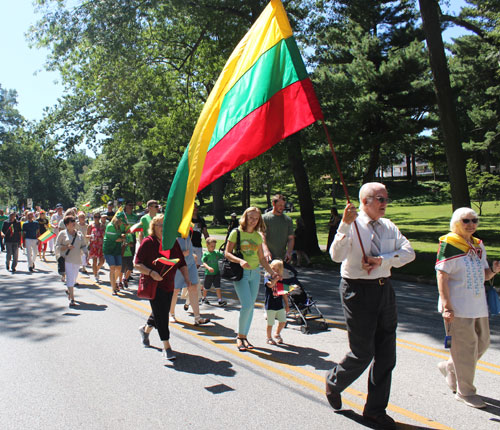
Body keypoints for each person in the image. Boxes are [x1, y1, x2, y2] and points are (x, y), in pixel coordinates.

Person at [325, 182, 415, 430]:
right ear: (364, 202)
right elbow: (335, 255)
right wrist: (343, 224)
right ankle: (334, 381)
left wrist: (382, 260)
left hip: (384, 289)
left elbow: (409, 253)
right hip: (357, 290)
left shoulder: (388, 226)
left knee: (386, 356)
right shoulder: (351, 225)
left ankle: (375, 411)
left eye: (386, 198)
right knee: (363, 352)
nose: (384, 203)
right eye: (379, 198)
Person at [435, 207, 500, 409]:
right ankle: (465, 392)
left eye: (474, 220)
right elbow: (442, 275)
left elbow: (484, 275)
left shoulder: (478, 245)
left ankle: (451, 367)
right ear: (456, 222)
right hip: (458, 306)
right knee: (466, 348)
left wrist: (494, 271)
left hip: (478, 305)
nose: (471, 224)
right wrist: (446, 305)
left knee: (483, 343)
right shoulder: (449, 244)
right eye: (466, 220)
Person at [135, 214, 190, 361]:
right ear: (153, 227)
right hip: (153, 284)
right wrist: (151, 273)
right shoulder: (148, 242)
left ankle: (145, 331)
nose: (163, 228)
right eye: (160, 225)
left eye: (165, 225)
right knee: (163, 315)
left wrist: (187, 278)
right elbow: (137, 264)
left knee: (160, 311)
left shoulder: (172, 242)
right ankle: (166, 347)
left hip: (168, 283)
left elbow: (182, 262)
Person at [225, 207, 279, 352]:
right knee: (247, 305)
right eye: (251, 217)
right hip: (241, 273)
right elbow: (227, 253)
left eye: (256, 218)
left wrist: (272, 272)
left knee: (250, 307)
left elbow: (261, 258)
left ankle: (244, 337)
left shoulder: (257, 236)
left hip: (255, 273)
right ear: (245, 218)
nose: (253, 220)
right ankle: (239, 337)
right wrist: (240, 261)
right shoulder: (236, 233)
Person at [169, 234, 211, 325]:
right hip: (178, 265)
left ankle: (197, 318)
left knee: (193, 287)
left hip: (190, 263)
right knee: (175, 290)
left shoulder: (188, 228)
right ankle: (171, 314)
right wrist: (181, 254)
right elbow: (166, 250)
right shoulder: (172, 230)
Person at [55, 216, 88, 307]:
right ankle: (72, 299)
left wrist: (86, 253)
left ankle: (69, 290)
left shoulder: (79, 234)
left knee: (74, 278)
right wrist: (66, 247)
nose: (74, 223)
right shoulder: (62, 234)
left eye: (74, 221)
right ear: (66, 224)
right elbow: (57, 247)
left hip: (77, 259)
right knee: (69, 278)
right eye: (71, 221)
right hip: (67, 259)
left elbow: (83, 245)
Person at [262, 194, 294, 262]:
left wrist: (289, 252)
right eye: (280, 205)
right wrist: (266, 251)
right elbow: (262, 236)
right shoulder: (264, 218)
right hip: (267, 258)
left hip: (282, 258)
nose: (282, 207)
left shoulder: (288, 220)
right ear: (273, 204)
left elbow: (291, 238)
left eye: (283, 205)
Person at [264, 259, 289, 345]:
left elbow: (284, 293)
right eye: (274, 269)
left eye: (278, 270)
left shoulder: (282, 280)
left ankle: (277, 334)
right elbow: (270, 285)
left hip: (279, 305)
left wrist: (287, 304)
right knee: (270, 323)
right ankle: (268, 337)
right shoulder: (267, 277)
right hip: (270, 304)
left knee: (283, 321)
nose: (276, 271)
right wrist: (275, 280)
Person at [102, 214, 126, 294]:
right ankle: (113, 288)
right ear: (118, 220)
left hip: (117, 250)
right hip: (109, 250)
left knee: (119, 268)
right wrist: (123, 238)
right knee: (112, 268)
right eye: (122, 221)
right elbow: (117, 239)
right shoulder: (110, 226)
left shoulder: (121, 226)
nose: (123, 222)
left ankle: (113, 282)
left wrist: (123, 235)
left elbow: (123, 233)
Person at [201, 237, 226, 306]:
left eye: (214, 246)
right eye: (212, 246)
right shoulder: (206, 254)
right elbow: (204, 262)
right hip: (208, 274)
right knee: (206, 287)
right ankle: (204, 298)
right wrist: (208, 268)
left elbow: (224, 256)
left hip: (216, 273)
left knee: (218, 287)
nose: (213, 247)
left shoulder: (216, 253)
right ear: (207, 245)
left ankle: (220, 300)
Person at [87, 212, 105, 283]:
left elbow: (105, 235)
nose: (97, 218)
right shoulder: (90, 226)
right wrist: (91, 236)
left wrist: (104, 235)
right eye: (95, 217)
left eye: (98, 217)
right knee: (94, 261)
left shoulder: (103, 226)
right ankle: (95, 275)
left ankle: (96, 269)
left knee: (102, 261)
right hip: (94, 245)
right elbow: (86, 235)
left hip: (101, 245)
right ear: (93, 217)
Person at [191, 203, 209, 267]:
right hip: (190, 245)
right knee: (190, 263)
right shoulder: (187, 220)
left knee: (198, 264)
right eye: (193, 207)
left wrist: (209, 242)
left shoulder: (201, 220)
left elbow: (205, 232)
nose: (195, 209)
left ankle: (195, 276)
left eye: (196, 207)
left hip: (198, 244)